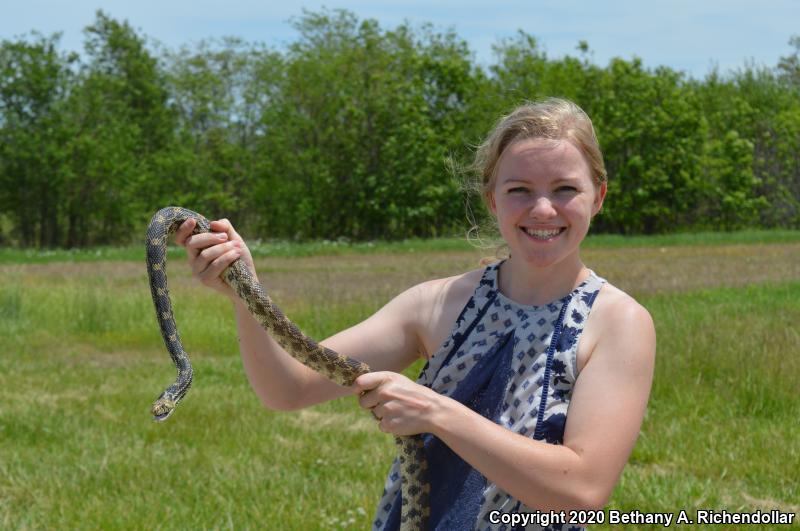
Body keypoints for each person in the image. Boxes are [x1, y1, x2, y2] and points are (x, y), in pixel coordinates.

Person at [174, 97, 656, 530]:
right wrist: (244, 293)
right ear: (492, 199)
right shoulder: (438, 304)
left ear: (599, 197)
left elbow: (582, 493)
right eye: (520, 190)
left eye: (566, 189)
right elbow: (288, 388)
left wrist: (435, 411)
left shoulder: (617, 322)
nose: (543, 209)